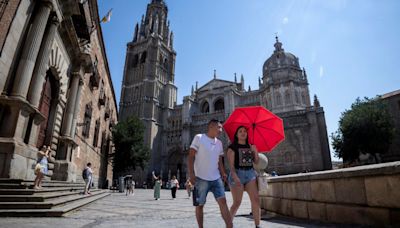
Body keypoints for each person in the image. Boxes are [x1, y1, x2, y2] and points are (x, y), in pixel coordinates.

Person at [188, 119, 233, 228]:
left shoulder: (219, 143)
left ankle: (230, 226)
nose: (221, 130)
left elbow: (220, 160)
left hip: (216, 178)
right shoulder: (199, 138)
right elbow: (191, 156)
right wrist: (192, 174)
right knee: (200, 205)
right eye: (219, 127)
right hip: (200, 178)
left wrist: (223, 173)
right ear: (211, 127)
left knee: (223, 202)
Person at [227, 126, 261, 228]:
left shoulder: (250, 146)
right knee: (237, 202)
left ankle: (257, 225)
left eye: (245, 131)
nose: (243, 133)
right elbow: (231, 167)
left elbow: (256, 162)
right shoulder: (232, 148)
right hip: (237, 174)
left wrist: (255, 151)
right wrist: (235, 177)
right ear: (237, 135)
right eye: (240, 131)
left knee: (255, 200)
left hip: (250, 173)